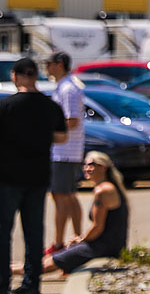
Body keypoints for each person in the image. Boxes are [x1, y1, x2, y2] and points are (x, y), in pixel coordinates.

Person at [0, 57, 67, 294]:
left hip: (7, 178)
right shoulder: (50, 107)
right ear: (36, 75)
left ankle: (3, 284)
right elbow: (62, 137)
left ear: (15, 76)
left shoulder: (6, 106)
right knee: (34, 233)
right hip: (38, 177)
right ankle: (31, 284)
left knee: (3, 234)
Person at [11, 151, 129, 279]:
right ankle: (7, 267)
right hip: (107, 245)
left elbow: (97, 227)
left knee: (43, 266)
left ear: (104, 167)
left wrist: (81, 240)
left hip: (102, 248)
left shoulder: (103, 190)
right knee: (46, 260)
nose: (87, 168)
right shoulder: (109, 187)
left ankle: (6, 270)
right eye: (85, 165)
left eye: (92, 165)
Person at [45, 51, 86, 256]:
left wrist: (47, 131)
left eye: (48, 63)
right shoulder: (65, 86)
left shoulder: (68, 89)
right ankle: (75, 241)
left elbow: (72, 120)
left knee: (62, 197)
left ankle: (61, 244)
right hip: (65, 151)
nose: (46, 68)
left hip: (65, 151)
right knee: (66, 196)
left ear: (59, 64)